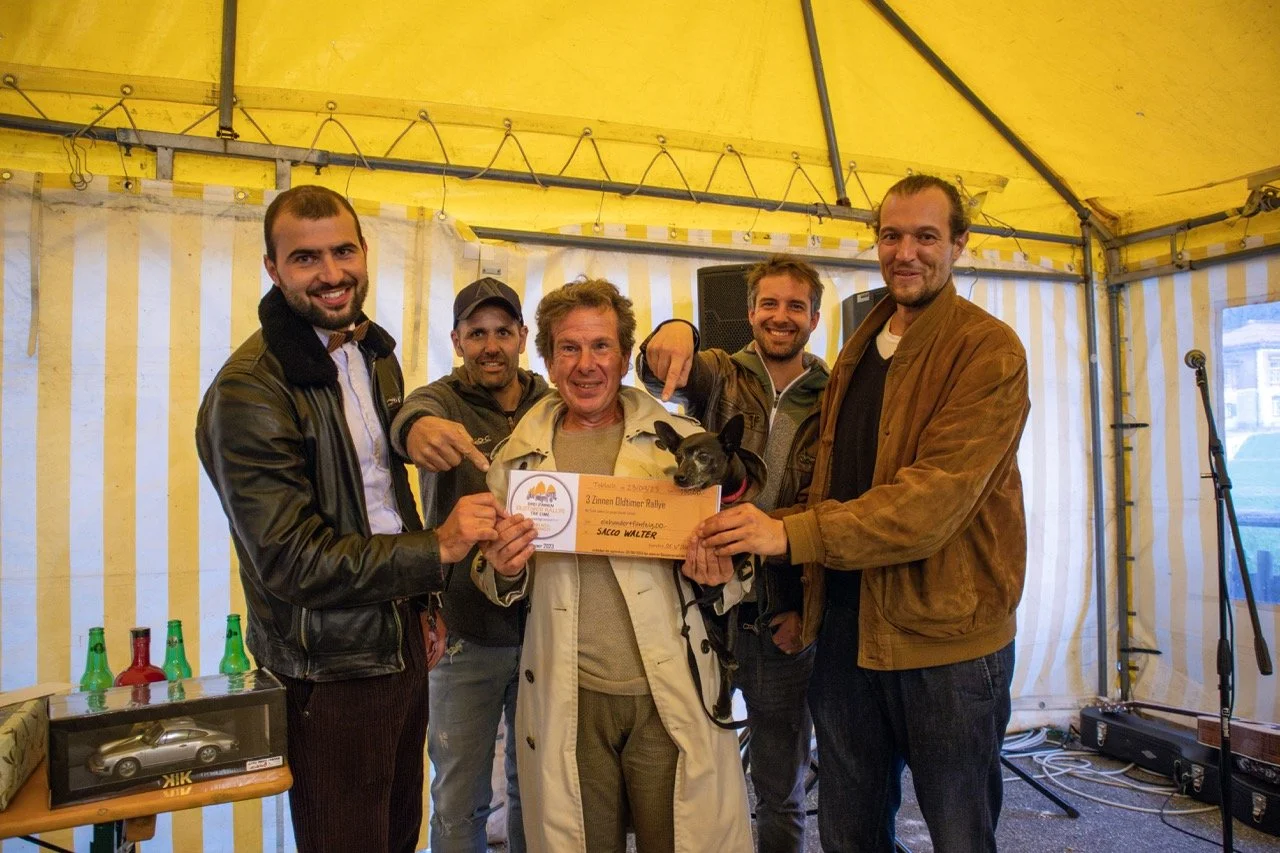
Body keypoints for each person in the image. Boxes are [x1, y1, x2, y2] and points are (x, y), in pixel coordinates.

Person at [697, 175, 1030, 853]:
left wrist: (785, 532)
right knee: (848, 833)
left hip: (946, 642)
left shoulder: (988, 350)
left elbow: (928, 503)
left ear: (960, 244)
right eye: (891, 235)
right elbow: (836, 484)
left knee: (960, 833)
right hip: (846, 630)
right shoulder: (859, 349)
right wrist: (759, 548)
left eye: (926, 236)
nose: (906, 251)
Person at [195, 185, 503, 853]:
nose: (331, 273)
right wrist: (441, 548)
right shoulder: (249, 390)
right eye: (305, 258)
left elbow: (383, 502)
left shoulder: (372, 354)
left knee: (397, 835)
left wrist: (423, 604)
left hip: (397, 646)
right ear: (272, 268)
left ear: (365, 252)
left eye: (342, 251)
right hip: (329, 671)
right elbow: (292, 560)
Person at [472, 278, 753, 853]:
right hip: (570, 696)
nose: (586, 365)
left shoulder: (684, 445)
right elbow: (494, 573)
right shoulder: (517, 458)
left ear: (626, 357)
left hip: (667, 692)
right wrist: (502, 569)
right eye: (569, 349)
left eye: (601, 347)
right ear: (547, 361)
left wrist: (721, 573)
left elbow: (739, 563)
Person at [635, 254, 829, 853]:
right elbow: (659, 369)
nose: (780, 316)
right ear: (749, 312)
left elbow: (837, 505)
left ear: (815, 318)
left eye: (795, 306)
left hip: (782, 616)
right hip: (706, 609)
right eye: (769, 304)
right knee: (692, 773)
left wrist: (808, 610)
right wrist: (673, 332)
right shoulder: (720, 373)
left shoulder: (835, 392)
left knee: (780, 786)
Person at [390, 277, 549, 853]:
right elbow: (409, 416)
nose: (491, 346)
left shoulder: (549, 401)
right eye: (476, 334)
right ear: (457, 342)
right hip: (463, 634)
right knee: (460, 801)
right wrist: (416, 429)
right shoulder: (441, 401)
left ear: (522, 337)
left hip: (544, 631)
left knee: (537, 793)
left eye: (502, 332)